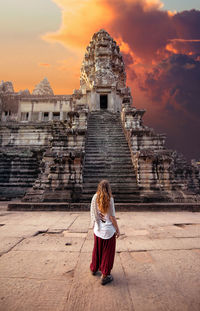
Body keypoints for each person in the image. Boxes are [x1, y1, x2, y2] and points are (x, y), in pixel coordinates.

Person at [90, 180, 120, 285]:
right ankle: (105, 275)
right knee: (107, 253)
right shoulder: (110, 199)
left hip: (98, 229)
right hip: (108, 230)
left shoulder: (95, 197)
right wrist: (117, 229)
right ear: (108, 188)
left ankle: (94, 268)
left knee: (97, 250)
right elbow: (112, 217)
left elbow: (93, 213)